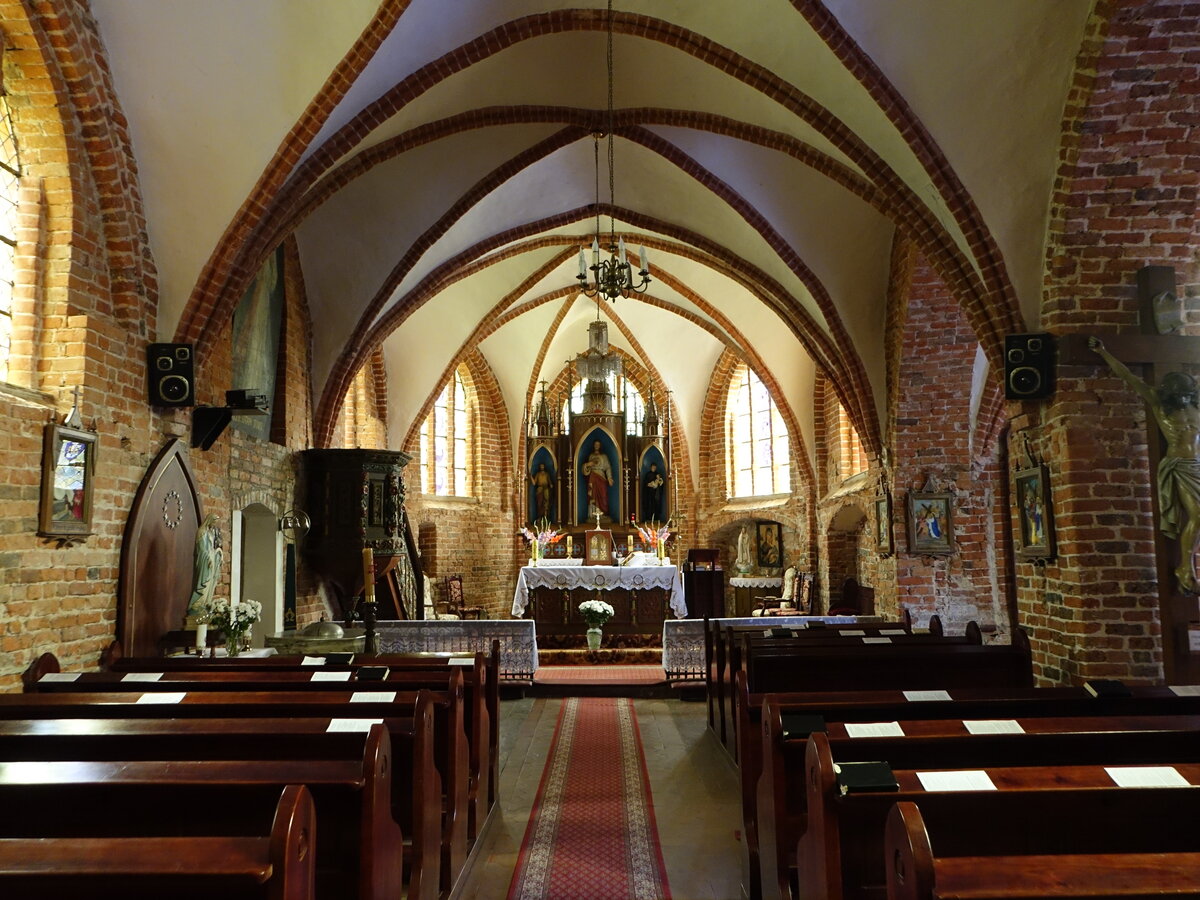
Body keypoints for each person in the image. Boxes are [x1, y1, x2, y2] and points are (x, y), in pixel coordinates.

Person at [1091, 336, 1200, 592]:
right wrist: (1104, 352)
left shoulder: (1197, 406)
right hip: (1179, 466)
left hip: (1198, 463)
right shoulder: (1158, 403)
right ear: (1170, 394)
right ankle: (1186, 566)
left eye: (1187, 396)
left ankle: (1187, 565)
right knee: (1197, 514)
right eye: (1179, 396)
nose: (1183, 400)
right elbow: (1128, 377)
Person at [188, 513, 223, 616]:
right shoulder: (202, 532)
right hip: (204, 562)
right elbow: (202, 549)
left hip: (211, 560)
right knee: (204, 583)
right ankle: (196, 605)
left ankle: (204, 603)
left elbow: (211, 548)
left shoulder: (210, 532)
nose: (214, 524)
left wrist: (218, 552)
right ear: (209, 520)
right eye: (214, 522)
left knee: (209, 585)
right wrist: (208, 558)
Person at [581, 439, 614, 519]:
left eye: (598, 444)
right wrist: (588, 464)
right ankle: (593, 514)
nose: (596, 446)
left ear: (600, 446)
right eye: (595, 444)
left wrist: (609, 478)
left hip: (601, 477)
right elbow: (585, 469)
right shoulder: (591, 456)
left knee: (603, 495)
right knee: (593, 495)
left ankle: (603, 514)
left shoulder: (604, 456)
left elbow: (608, 468)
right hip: (592, 477)